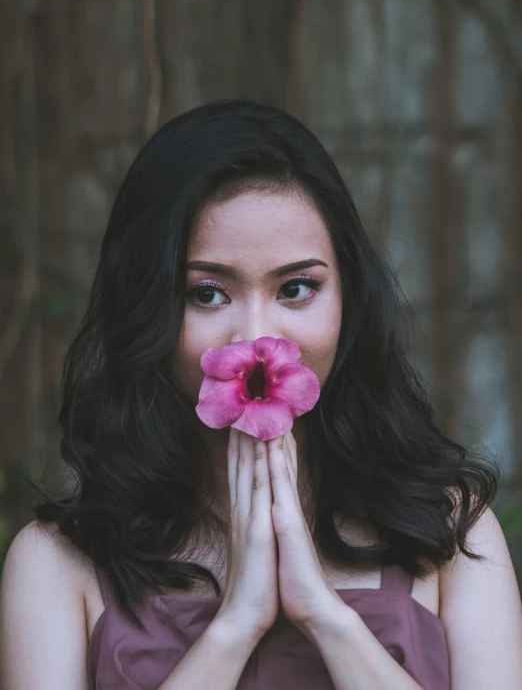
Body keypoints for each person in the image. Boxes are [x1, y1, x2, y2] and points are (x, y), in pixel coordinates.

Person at [1, 99, 521, 690]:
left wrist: (327, 619)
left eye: (297, 287)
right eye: (208, 294)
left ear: (349, 302)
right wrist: (235, 627)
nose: (255, 339)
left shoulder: (455, 533)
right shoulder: (55, 564)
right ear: (146, 310)